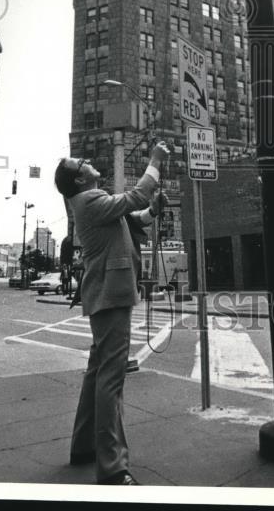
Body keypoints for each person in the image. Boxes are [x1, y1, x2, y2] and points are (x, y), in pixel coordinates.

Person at [54, 140, 170, 485]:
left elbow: (133, 218)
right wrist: (155, 162)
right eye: (82, 163)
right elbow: (133, 199)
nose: (88, 162)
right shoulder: (88, 200)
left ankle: (84, 446)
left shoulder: (92, 201)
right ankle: (113, 467)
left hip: (106, 294)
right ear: (79, 180)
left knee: (97, 373)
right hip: (111, 295)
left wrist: (153, 212)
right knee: (111, 378)